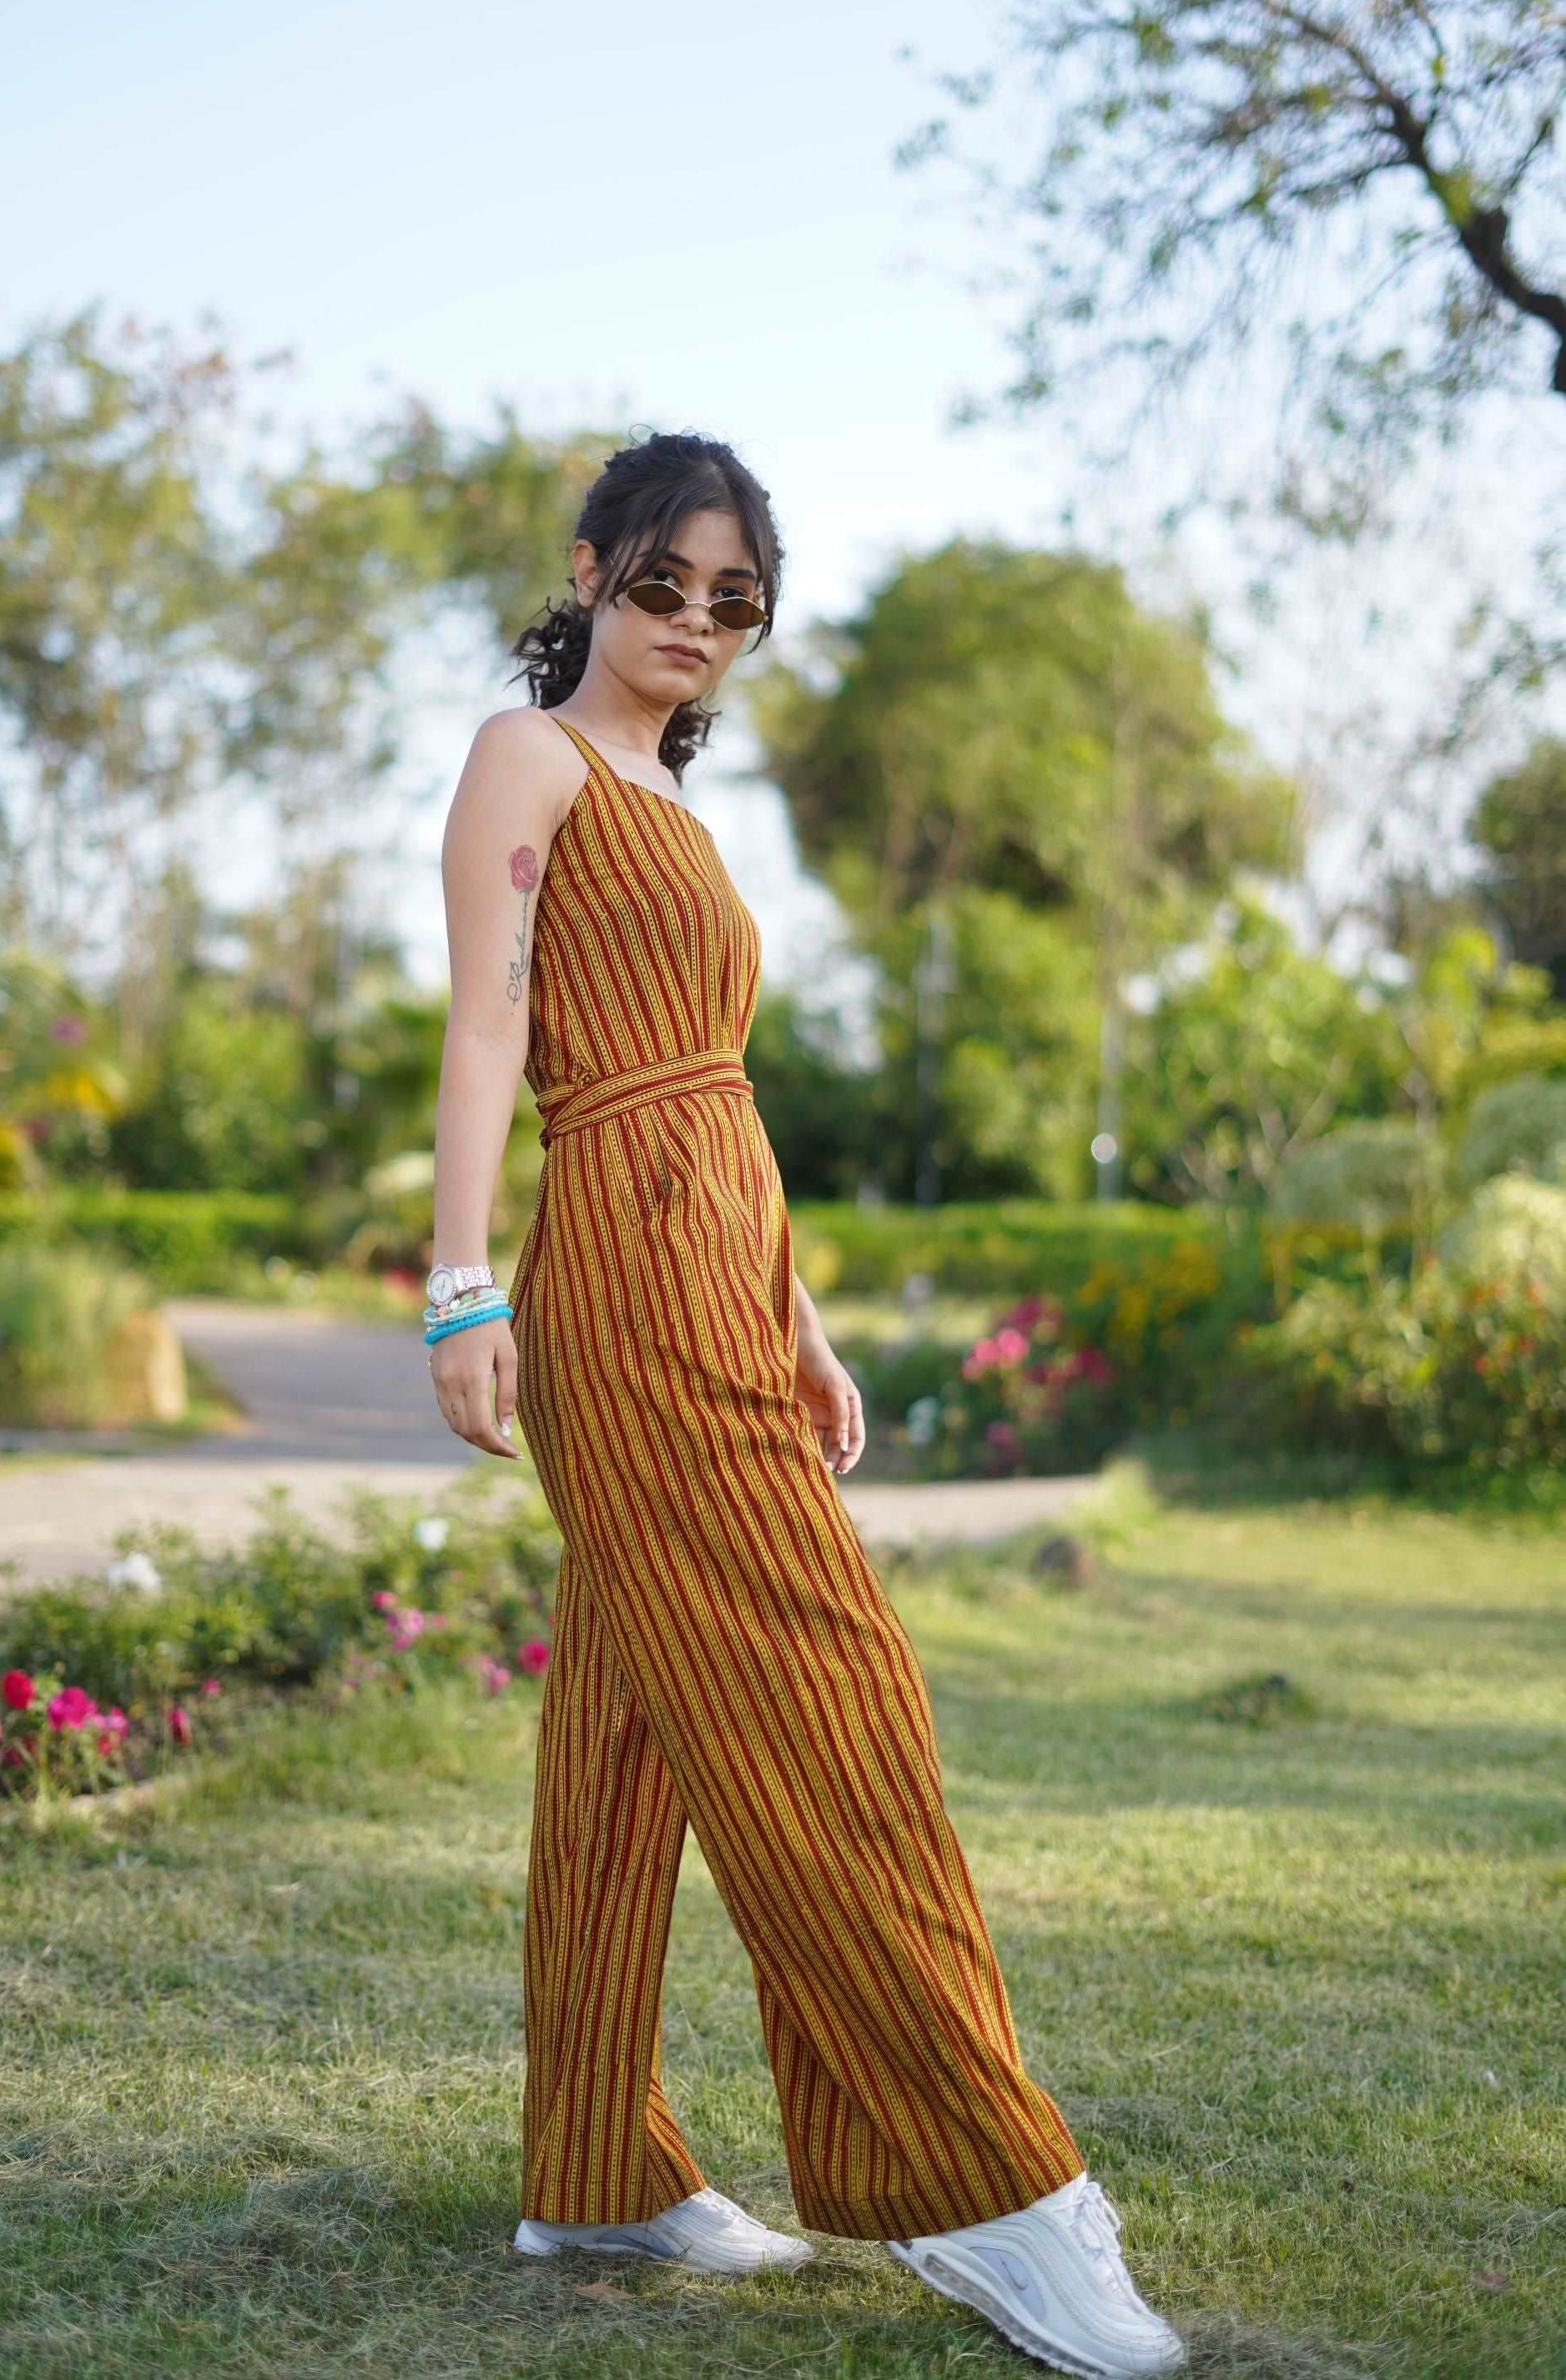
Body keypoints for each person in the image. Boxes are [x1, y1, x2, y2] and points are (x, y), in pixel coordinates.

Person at [428, 430, 1186, 2378]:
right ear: (590, 570)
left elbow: (713, 1091)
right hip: (614, 1273)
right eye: (662, 583)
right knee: (826, 1697)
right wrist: (460, 1282)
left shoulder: (668, 799)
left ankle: (593, 2163)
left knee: (632, 1726)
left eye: (733, 601)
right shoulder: (529, 756)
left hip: (721, 1272)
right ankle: (990, 2188)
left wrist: (804, 1318)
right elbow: (494, 1027)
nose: (693, 625)